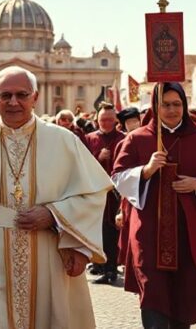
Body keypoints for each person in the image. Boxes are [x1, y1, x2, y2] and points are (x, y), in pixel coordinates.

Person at [0, 66, 112, 329]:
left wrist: (53, 215)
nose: (13, 102)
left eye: (21, 95)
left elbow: (92, 196)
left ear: (35, 98)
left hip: (48, 251)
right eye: (5, 96)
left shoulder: (63, 141)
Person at [112, 82, 196, 328]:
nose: (172, 110)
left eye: (177, 104)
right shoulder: (137, 138)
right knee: (153, 293)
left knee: (183, 296)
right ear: (155, 106)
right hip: (149, 232)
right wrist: (146, 170)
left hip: (190, 231)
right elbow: (117, 178)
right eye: (165, 104)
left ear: (185, 106)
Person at [86, 102, 127, 284]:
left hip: (117, 193)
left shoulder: (124, 139)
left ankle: (112, 269)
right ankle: (100, 266)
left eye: (110, 119)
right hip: (95, 192)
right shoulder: (89, 138)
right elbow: (81, 164)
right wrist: (98, 158)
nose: (106, 123)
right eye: (103, 119)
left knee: (113, 233)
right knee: (98, 232)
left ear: (115, 120)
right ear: (97, 120)